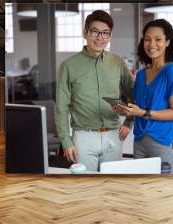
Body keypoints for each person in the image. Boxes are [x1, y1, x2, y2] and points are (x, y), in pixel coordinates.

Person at [55, 10, 134, 172]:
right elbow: (61, 107)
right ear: (85, 32)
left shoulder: (117, 62)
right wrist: (66, 141)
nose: (100, 37)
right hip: (84, 136)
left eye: (105, 33)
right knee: (85, 187)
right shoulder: (68, 65)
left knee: (112, 186)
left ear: (110, 36)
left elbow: (133, 94)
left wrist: (129, 122)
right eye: (95, 31)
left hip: (114, 134)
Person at [118, 19, 173, 174]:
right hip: (140, 143)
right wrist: (122, 109)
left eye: (158, 39)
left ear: (167, 42)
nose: (152, 44)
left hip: (163, 143)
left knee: (166, 193)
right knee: (143, 192)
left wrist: (142, 113)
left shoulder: (172, 73)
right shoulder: (141, 74)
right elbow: (136, 105)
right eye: (148, 39)